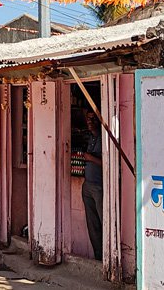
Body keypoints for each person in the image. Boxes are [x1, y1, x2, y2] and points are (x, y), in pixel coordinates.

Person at [74, 109, 104, 260]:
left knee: (103, 222)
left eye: (93, 119)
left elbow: (107, 162)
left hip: (99, 186)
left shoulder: (104, 138)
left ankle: (107, 256)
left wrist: (90, 158)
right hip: (88, 184)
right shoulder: (91, 138)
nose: (90, 122)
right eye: (88, 119)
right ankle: (98, 256)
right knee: (92, 225)